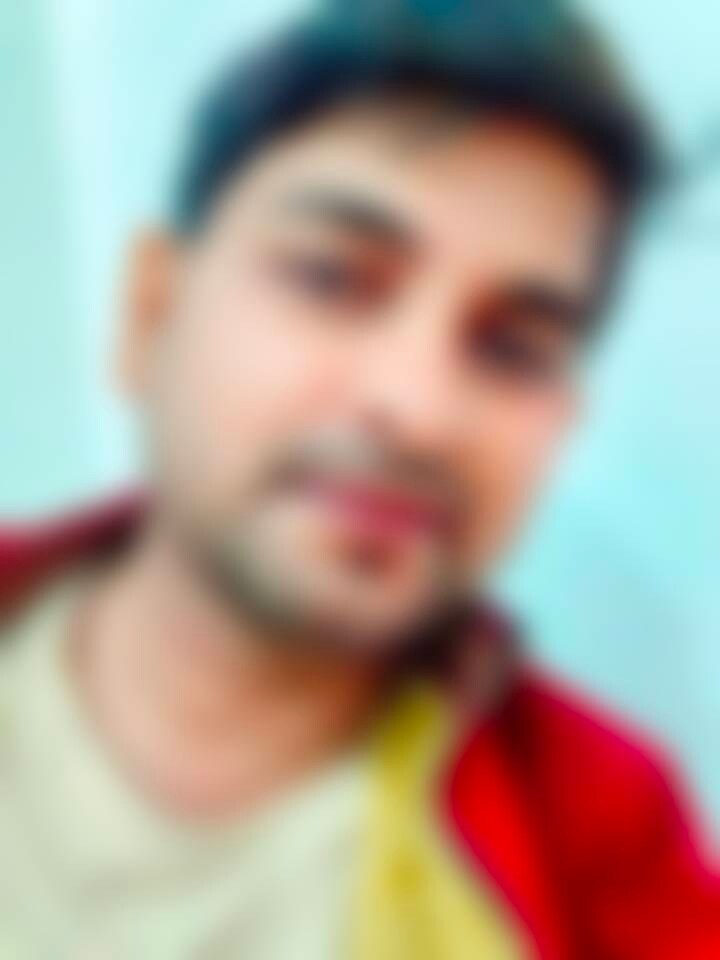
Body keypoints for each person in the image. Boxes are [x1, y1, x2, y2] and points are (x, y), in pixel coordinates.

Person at [1, 1, 717, 956]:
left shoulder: (602, 841)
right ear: (153, 312)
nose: (417, 408)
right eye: (332, 278)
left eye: (514, 347)